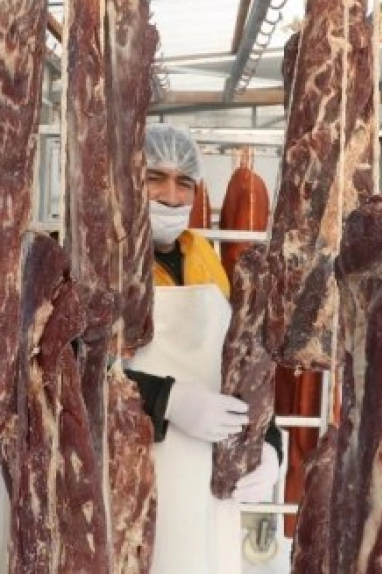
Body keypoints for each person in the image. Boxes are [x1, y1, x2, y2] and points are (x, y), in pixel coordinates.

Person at [125, 123, 282, 574]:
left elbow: (241, 364)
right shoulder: (100, 265)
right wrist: (167, 399)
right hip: (134, 476)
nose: (172, 197)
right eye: (155, 178)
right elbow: (76, 370)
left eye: (184, 183)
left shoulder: (205, 256)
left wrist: (269, 444)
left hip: (213, 484)